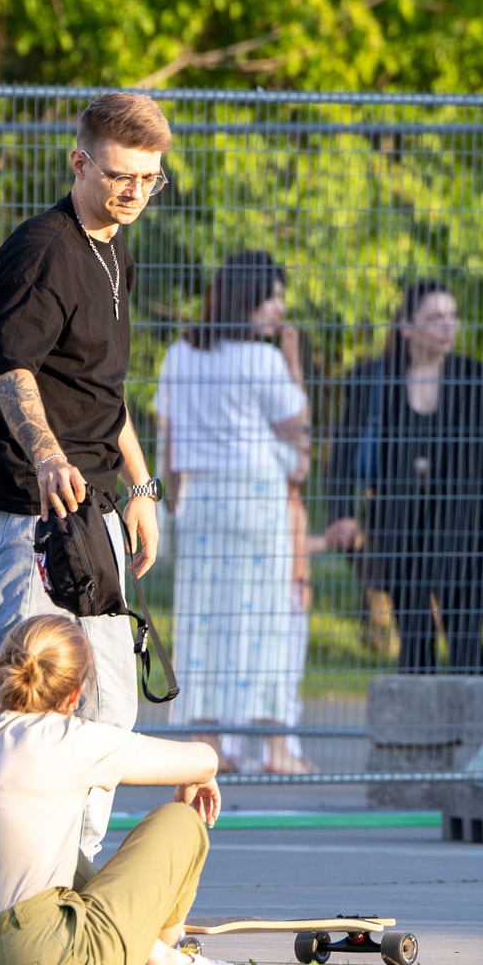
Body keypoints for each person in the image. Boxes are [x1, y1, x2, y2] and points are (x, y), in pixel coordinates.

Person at [0, 92, 168, 854]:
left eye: (150, 178)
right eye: (121, 176)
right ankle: (8, 869)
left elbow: (100, 389)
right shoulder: (41, 251)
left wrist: (141, 490)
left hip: (99, 509)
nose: (135, 192)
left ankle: (71, 869)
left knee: (111, 707)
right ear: (79, 161)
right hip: (33, 511)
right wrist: (47, 454)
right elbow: (11, 370)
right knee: (34, 703)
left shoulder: (115, 245)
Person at [0, 616, 248, 965]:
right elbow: (205, 757)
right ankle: (168, 961)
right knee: (180, 822)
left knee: (51, 849)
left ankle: (152, 954)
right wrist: (203, 777)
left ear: (0, 671)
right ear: (76, 694)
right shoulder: (68, 737)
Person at [153, 251, 310, 774]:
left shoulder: (179, 355)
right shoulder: (262, 359)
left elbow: (169, 439)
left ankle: (209, 743)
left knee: (202, 619)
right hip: (257, 498)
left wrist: (170, 500)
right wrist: (292, 360)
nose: (278, 309)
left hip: (199, 499)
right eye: (272, 298)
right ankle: (274, 745)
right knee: (263, 619)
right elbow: (295, 423)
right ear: (250, 301)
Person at [325, 282, 483, 673]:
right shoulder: (374, 379)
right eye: (435, 318)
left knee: (467, 639)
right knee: (415, 638)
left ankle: (472, 731)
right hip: (399, 528)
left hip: (462, 528)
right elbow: (341, 456)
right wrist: (342, 513)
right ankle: (421, 732)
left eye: (452, 317)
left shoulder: (477, 381)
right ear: (406, 326)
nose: (448, 327)